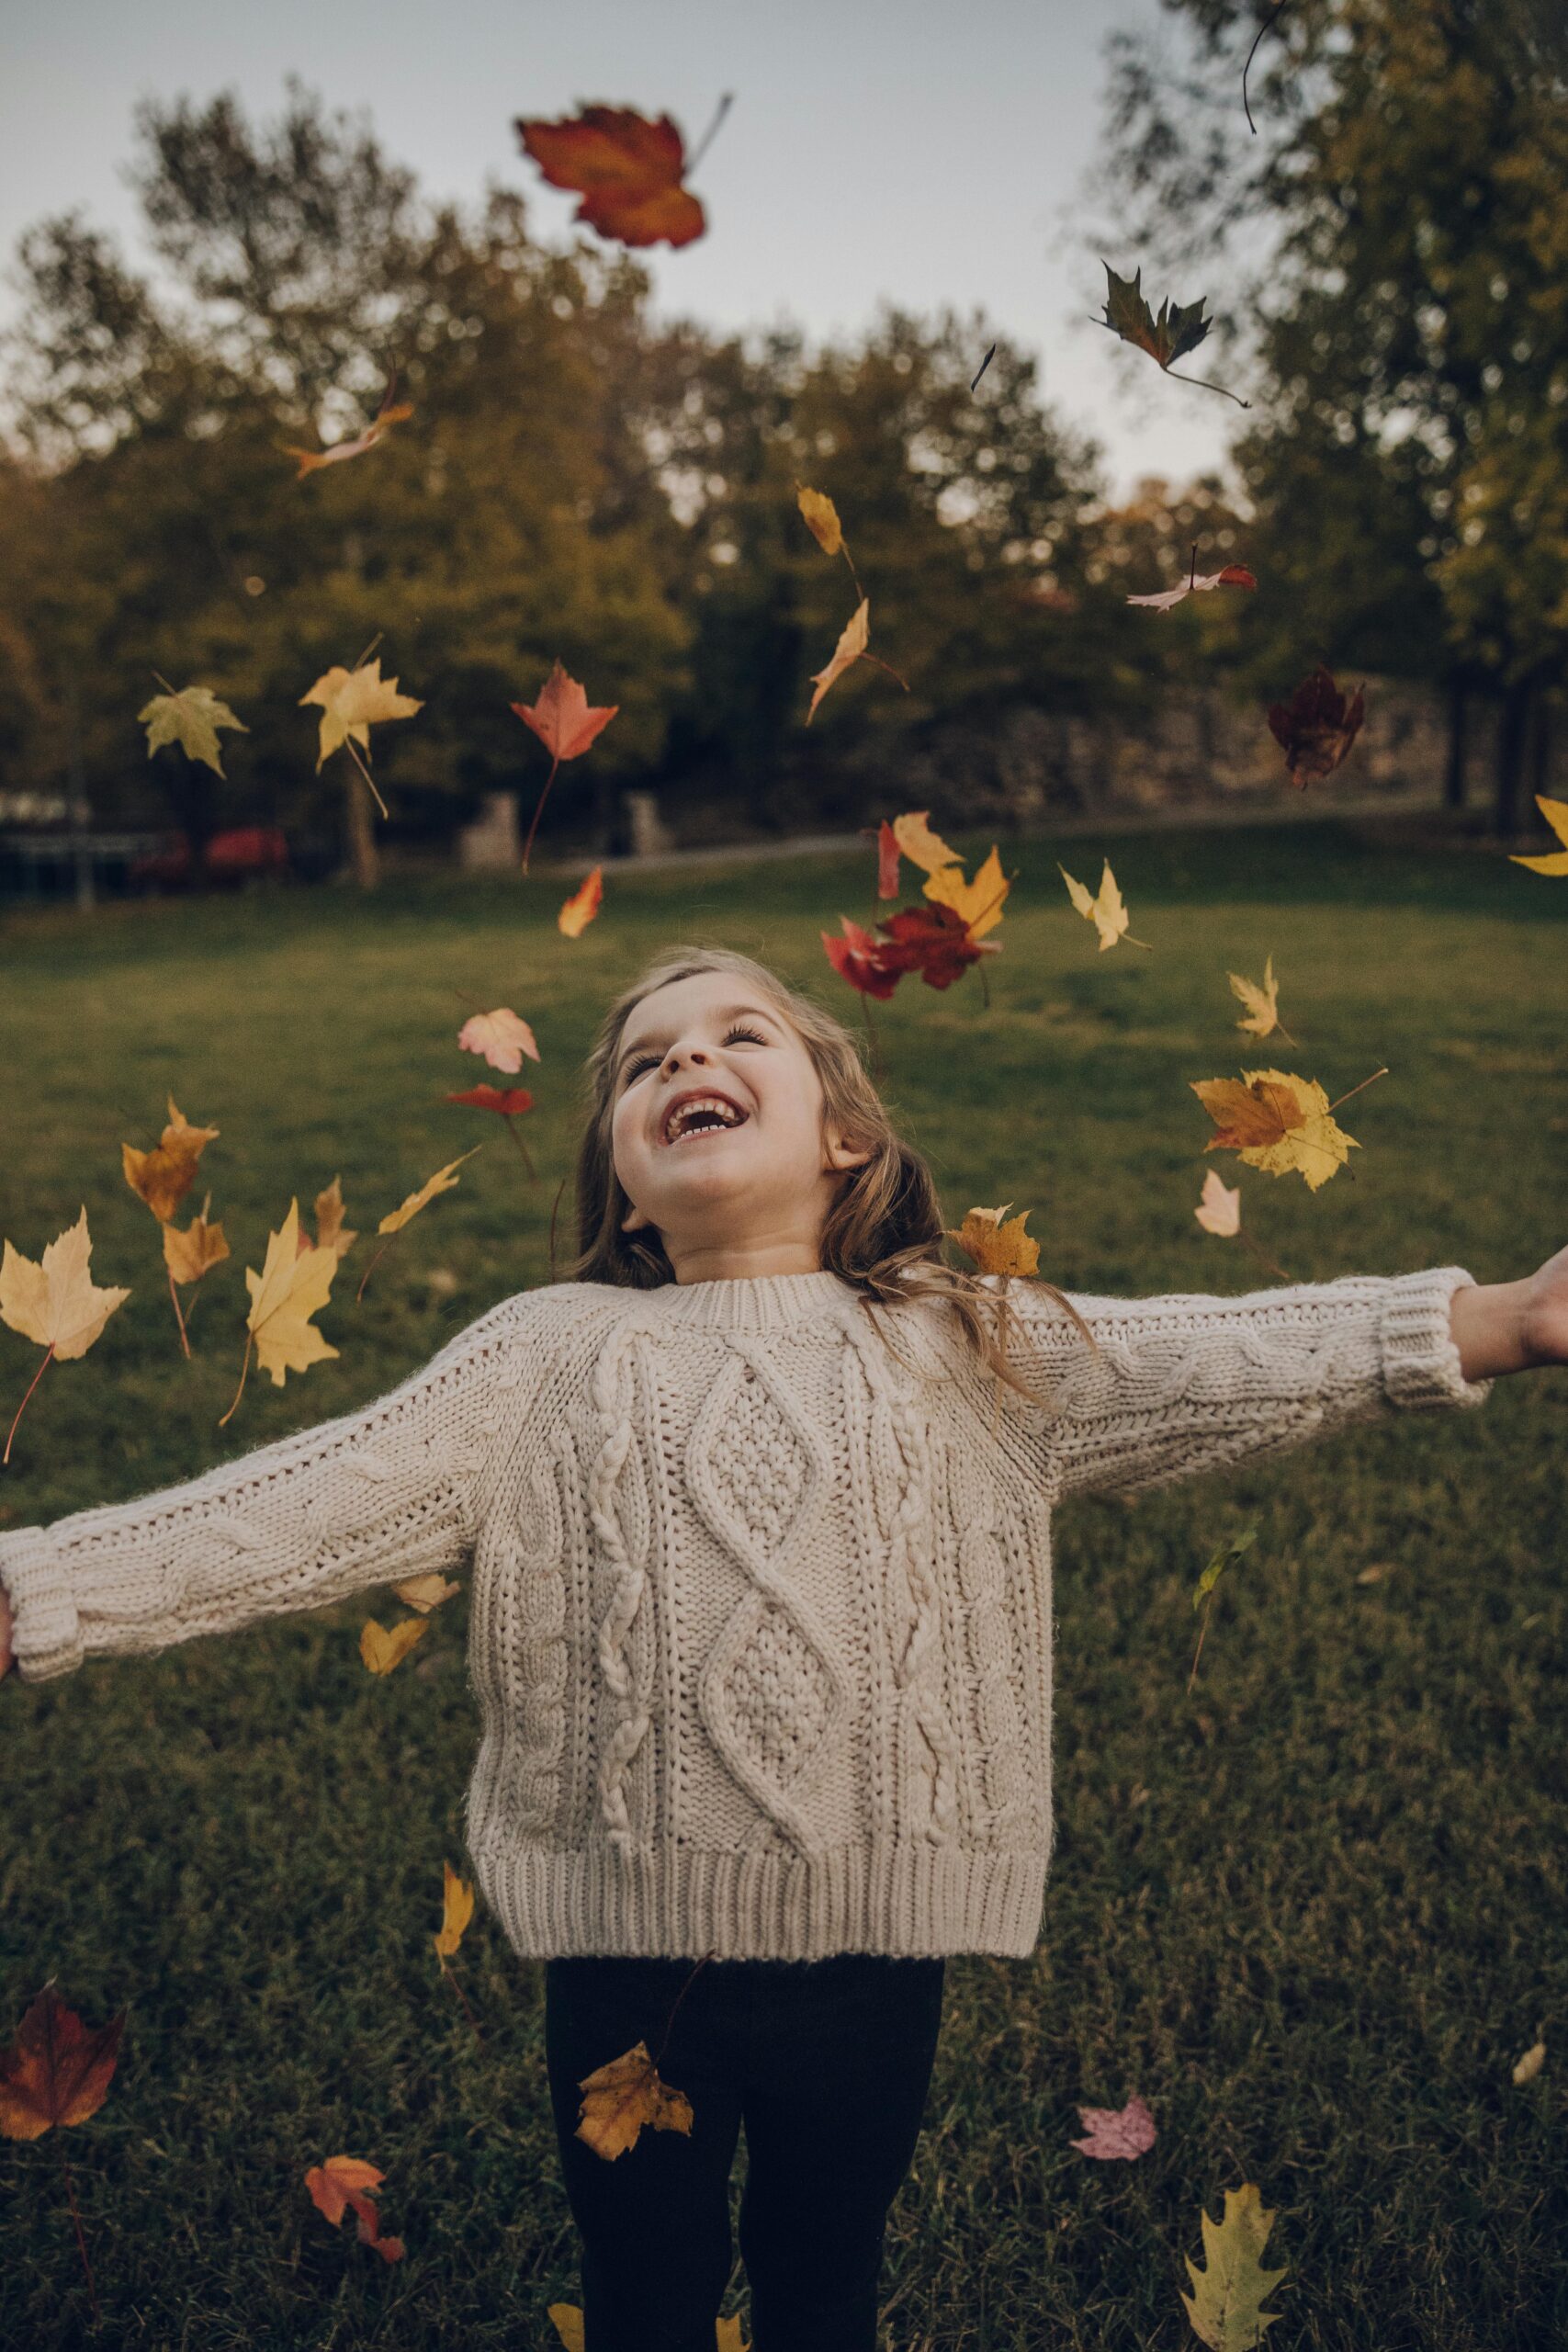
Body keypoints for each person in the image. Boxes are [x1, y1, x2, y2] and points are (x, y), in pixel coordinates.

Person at [2, 943, 1562, 2352]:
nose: (686, 1061)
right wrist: (46, 1584)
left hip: (877, 1950)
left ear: (845, 1139)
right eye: (644, 1060)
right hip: (628, 1961)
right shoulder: (545, 1356)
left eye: (737, 1033)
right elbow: (303, 1506)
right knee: (647, 2286)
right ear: (619, 1178)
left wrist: (1494, 1320)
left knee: (827, 2264)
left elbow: (1215, 1359)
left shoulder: (958, 1337)